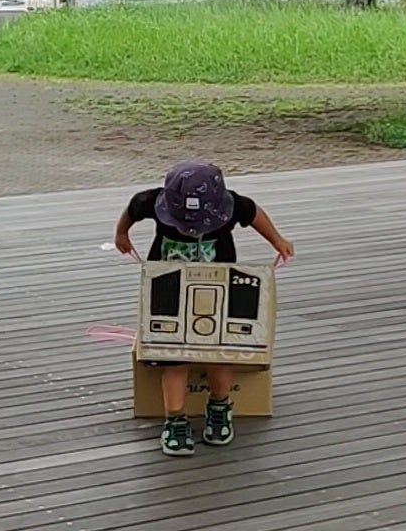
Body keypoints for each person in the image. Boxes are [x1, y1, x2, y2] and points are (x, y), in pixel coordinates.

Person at [113, 159, 294, 456]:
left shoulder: (233, 206)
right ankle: (175, 419)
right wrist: (121, 234)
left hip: (219, 293)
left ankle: (220, 406)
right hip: (169, 289)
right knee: (174, 359)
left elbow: (254, 213)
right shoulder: (150, 201)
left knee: (220, 355)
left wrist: (277, 240)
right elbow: (132, 210)